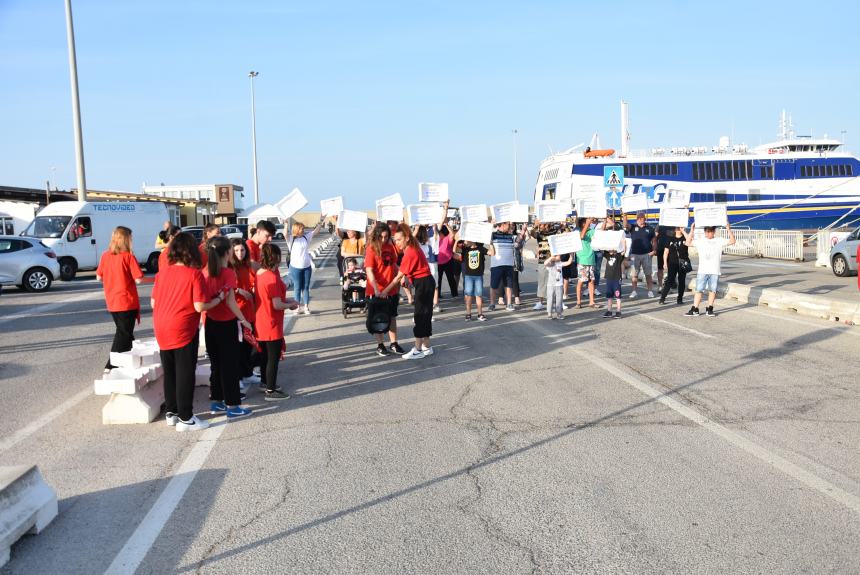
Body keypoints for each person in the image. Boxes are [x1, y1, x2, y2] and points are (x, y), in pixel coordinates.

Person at [151, 232, 222, 431]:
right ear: (192, 251)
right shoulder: (194, 274)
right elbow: (200, 306)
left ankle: (172, 412)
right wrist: (218, 299)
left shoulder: (162, 272)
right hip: (182, 327)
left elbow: (153, 302)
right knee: (185, 373)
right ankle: (186, 417)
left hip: (161, 326)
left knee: (170, 371)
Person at [203, 237, 254, 419]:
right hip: (226, 324)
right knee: (230, 366)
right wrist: (244, 321)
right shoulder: (228, 273)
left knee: (216, 365)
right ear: (227, 252)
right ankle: (233, 406)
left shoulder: (204, 271)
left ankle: (217, 402)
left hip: (210, 323)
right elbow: (231, 302)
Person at [382, 224, 436, 359]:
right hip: (426, 282)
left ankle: (417, 349)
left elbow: (397, 277)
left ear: (406, 238)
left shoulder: (410, 251)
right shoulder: (413, 246)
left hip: (423, 283)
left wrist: (384, 291)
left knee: (420, 316)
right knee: (425, 315)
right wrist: (407, 276)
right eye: (395, 240)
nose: (397, 242)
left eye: (399, 239)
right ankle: (427, 346)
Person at [96, 226, 145, 372]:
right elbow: (138, 280)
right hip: (126, 301)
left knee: (125, 332)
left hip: (112, 301)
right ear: (126, 239)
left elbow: (99, 276)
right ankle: (111, 364)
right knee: (123, 334)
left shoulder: (105, 255)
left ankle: (135, 358)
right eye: (131, 238)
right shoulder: (128, 256)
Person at [255, 243, 299, 400]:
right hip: (271, 322)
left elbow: (272, 299)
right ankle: (271, 390)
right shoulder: (271, 277)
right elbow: (276, 304)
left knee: (265, 357)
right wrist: (291, 304)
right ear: (276, 257)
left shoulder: (261, 273)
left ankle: (265, 382)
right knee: (273, 359)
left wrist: (286, 299)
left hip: (261, 320)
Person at [365, 223, 404, 356]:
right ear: (376, 236)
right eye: (381, 237)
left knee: (392, 316)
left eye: (386, 237)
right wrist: (376, 289)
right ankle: (380, 345)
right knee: (378, 318)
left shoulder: (391, 246)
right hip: (375, 290)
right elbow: (369, 270)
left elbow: (393, 264)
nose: (383, 240)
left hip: (391, 288)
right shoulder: (371, 248)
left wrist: (403, 275)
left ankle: (394, 343)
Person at [685, 222, 736, 317]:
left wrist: (728, 229)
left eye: (711, 232)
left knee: (713, 290)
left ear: (714, 232)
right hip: (703, 270)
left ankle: (710, 308)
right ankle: (695, 308)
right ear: (704, 232)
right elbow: (687, 243)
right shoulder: (700, 241)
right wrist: (692, 230)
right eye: (707, 232)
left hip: (714, 270)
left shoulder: (719, 240)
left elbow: (733, 241)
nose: (709, 234)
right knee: (699, 290)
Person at [228, 238, 258, 388]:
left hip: (248, 309)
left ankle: (247, 373)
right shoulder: (230, 267)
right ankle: (238, 377)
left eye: (242, 250)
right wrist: (240, 291)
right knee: (238, 347)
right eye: (237, 250)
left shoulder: (246, 265)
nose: (240, 253)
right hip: (237, 310)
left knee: (248, 344)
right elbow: (227, 287)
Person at [453, 231, 494, 321]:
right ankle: (468, 314)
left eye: (467, 239)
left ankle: (480, 314)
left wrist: (491, 243)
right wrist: (457, 240)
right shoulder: (465, 250)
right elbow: (454, 251)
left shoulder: (480, 248)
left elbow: (492, 253)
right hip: (468, 276)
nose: (466, 241)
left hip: (478, 276)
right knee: (468, 295)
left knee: (478, 295)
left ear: (472, 240)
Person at [286, 218, 322, 314]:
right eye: (301, 228)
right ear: (297, 229)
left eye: (303, 228)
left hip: (307, 267)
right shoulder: (291, 239)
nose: (303, 230)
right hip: (295, 267)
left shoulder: (306, 237)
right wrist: (285, 223)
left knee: (305, 287)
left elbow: (316, 231)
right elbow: (285, 234)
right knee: (297, 287)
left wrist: (321, 219)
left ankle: (306, 306)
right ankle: (297, 307)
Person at [489, 221, 525, 311]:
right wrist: (491, 224)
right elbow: (485, 234)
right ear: (502, 225)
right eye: (508, 224)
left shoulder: (511, 236)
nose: (510, 226)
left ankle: (509, 304)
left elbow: (518, 242)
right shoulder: (493, 235)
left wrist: (523, 231)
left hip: (509, 265)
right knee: (493, 285)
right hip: (496, 265)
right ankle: (492, 303)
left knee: (508, 285)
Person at [659, 226, 692, 305]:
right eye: (677, 228)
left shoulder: (684, 238)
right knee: (669, 281)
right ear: (674, 230)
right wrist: (665, 263)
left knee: (682, 281)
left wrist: (684, 231)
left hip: (682, 263)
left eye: (680, 228)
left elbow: (690, 241)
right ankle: (662, 298)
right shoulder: (670, 239)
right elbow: (666, 252)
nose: (678, 229)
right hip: (672, 263)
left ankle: (680, 299)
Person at [627, 212, 657, 298]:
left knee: (648, 274)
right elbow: (625, 224)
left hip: (646, 254)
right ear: (637, 219)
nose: (641, 220)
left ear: (645, 219)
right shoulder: (633, 227)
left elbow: (654, 240)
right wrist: (624, 215)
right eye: (639, 218)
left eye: (642, 218)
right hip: (635, 254)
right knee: (634, 274)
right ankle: (634, 291)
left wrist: (654, 250)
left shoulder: (650, 228)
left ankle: (650, 291)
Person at [415, 225, 442, 313]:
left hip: (430, 265)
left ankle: (434, 305)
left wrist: (434, 229)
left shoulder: (430, 242)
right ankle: (420, 310)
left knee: (434, 285)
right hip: (421, 268)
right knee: (423, 289)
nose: (426, 234)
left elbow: (436, 237)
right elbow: (411, 238)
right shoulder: (417, 243)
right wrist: (416, 228)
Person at [530, 221, 554, 310]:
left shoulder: (554, 232)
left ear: (547, 224)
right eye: (540, 225)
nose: (541, 226)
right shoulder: (539, 234)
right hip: (542, 261)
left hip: (553, 261)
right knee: (542, 282)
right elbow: (532, 234)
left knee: (555, 282)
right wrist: (535, 226)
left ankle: (555, 302)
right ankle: (540, 302)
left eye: (542, 225)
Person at [575, 217, 598, 308]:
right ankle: (578, 302)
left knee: (591, 281)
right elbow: (582, 236)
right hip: (582, 260)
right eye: (585, 222)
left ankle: (591, 302)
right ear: (582, 224)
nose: (588, 223)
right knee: (581, 281)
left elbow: (600, 232)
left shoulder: (591, 231)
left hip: (591, 259)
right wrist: (588, 223)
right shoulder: (577, 232)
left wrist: (604, 220)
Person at [545, 252, 573, 320]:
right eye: (558, 255)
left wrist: (571, 255)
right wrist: (551, 258)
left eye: (560, 255)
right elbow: (545, 263)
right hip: (551, 285)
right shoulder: (550, 264)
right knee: (550, 299)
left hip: (559, 284)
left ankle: (559, 313)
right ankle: (549, 313)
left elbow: (569, 262)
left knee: (559, 299)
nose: (560, 256)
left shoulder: (560, 263)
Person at [602, 244, 626, 319]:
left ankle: (618, 311)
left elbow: (624, 251)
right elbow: (602, 248)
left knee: (617, 295)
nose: (611, 250)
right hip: (609, 278)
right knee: (609, 295)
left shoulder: (618, 256)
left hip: (616, 278)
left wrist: (623, 242)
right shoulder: (608, 255)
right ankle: (609, 311)